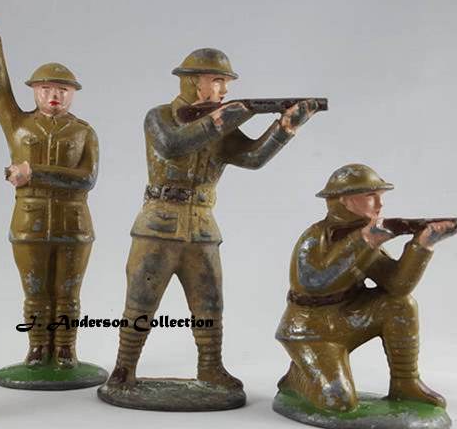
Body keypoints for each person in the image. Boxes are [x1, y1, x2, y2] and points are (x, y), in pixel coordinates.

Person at [106, 48, 319, 389]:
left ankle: (210, 367)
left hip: (202, 228)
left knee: (209, 304)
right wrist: (220, 120)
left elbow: (252, 158)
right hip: (158, 225)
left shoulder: (222, 123)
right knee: (140, 301)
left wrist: (285, 127)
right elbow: (173, 145)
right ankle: (124, 368)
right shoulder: (159, 116)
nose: (225, 89)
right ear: (194, 82)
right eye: (218, 80)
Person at [275, 163, 457, 412]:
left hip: (349, 317)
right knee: (338, 402)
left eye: (380, 196)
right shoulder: (315, 237)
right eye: (371, 195)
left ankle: (405, 381)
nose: (380, 204)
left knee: (400, 305)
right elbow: (314, 281)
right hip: (309, 330)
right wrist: (365, 240)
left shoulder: (367, 237)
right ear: (346, 200)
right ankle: (299, 378)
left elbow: (397, 286)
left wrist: (422, 245)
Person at [0, 10, 98, 368]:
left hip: (74, 225)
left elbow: (87, 179)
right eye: (46, 89)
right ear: (34, 91)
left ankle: (66, 349)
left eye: (62, 90)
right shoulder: (19, 125)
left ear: (72, 94)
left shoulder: (83, 132)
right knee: (34, 293)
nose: (54, 96)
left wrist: (33, 172)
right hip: (29, 223)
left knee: (68, 295)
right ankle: (38, 347)